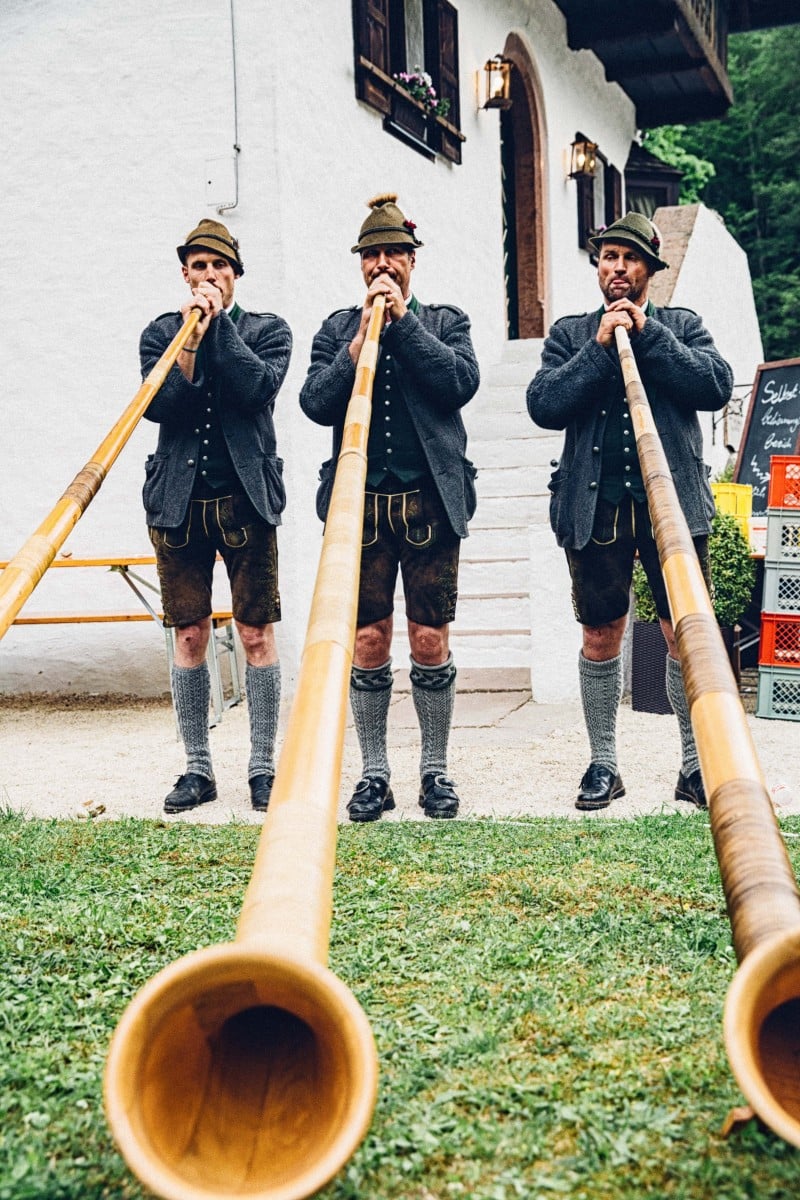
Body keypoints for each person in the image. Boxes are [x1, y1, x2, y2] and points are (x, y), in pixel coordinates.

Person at [527, 212, 733, 812]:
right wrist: (598, 347)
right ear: (599, 267)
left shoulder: (682, 324)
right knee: (600, 632)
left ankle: (695, 765)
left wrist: (648, 336)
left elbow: (714, 385)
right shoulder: (570, 334)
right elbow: (545, 404)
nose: (616, 268)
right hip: (596, 508)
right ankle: (604, 764)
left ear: (650, 270)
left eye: (629, 259)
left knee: (683, 635)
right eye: (607, 258)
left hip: (674, 506)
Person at [300, 193, 479, 821]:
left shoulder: (444, 322)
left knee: (429, 639)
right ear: (361, 264)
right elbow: (315, 402)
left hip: (430, 503)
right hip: (361, 507)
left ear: (411, 261)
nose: (383, 265)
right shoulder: (334, 328)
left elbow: (459, 383)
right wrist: (356, 345)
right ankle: (375, 773)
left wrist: (401, 323)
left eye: (394, 254)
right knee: (368, 641)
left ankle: (435, 771)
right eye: (373, 255)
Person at [140, 218, 292, 815]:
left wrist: (218, 327)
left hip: (247, 502)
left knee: (256, 634)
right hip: (178, 504)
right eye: (198, 267)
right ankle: (197, 767)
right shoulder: (161, 334)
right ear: (185, 274)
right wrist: (191, 342)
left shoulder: (268, 331)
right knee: (189, 635)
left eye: (219, 267)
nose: (208, 276)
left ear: (235, 275)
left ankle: (261, 766)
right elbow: (161, 407)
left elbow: (257, 389)